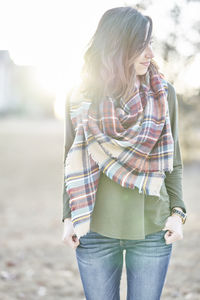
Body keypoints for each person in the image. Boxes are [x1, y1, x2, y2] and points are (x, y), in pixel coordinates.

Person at [62, 6, 187, 300]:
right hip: (93, 229)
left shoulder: (163, 93)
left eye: (150, 44)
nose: (150, 54)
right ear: (117, 45)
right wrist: (68, 217)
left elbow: (174, 162)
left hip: (152, 230)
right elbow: (70, 162)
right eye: (140, 45)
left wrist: (177, 215)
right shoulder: (80, 97)